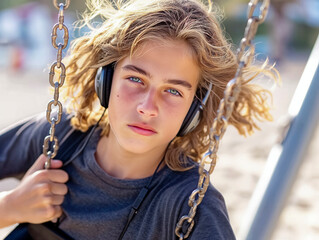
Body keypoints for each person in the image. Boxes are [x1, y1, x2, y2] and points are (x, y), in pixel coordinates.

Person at [0, 0, 278, 239]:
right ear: (105, 80)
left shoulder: (189, 206)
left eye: (173, 91)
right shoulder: (62, 137)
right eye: (135, 79)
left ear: (195, 109)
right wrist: (10, 207)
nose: (148, 108)